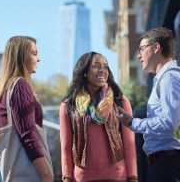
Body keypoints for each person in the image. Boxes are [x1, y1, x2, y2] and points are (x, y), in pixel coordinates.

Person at [59, 52, 138, 182]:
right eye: (96, 66)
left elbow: (129, 143)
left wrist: (133, 177)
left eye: (106, 67)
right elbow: (66, 146)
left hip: (117, 176)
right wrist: (67, 177)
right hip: (83, 178)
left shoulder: (120, 101)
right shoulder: (68, 105)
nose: (102, 70)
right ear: (84, 71)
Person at [117, 27, 180, 182]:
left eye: (142, 49)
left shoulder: (169, 78)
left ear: (156, 47)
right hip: (164, 162)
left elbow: (169, 122)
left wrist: (132, 122)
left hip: (168, 163)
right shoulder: (163, 79)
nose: (139, 55)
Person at [0, 35, 53, 182]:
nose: (38, 59)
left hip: (3, 169)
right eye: (34, 53)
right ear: (21, 56)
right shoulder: (19, 86)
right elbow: (27, 133)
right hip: (22, 171)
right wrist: (46, 173)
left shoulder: (4, 87)